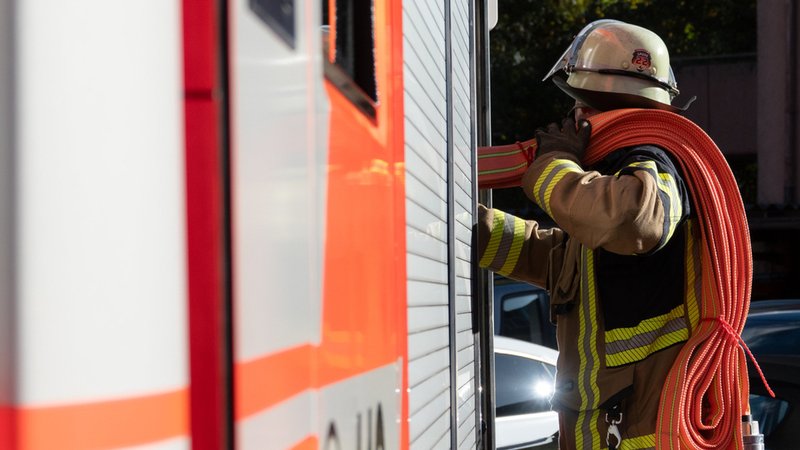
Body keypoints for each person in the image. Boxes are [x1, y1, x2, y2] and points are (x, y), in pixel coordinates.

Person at [477, 20, 702, 449]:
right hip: (610, 428)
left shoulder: (655, 163)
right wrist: (467, 230)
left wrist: (553, 164)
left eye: (580, 106)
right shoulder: (611, 188)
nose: (573, 118)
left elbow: (632, 221)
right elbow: (562, 259)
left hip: (645, 432)